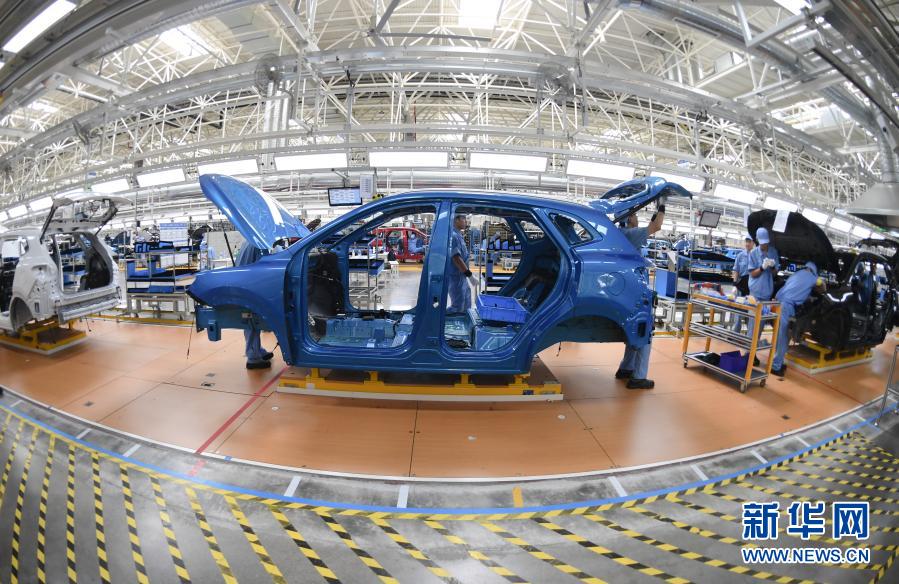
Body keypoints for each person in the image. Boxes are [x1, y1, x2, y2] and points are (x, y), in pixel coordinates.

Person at [615, 206, 665, 390]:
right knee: (645, 332)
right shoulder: (630, 234)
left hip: (626, 291)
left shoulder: (620, 234)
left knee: (635, 330)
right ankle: (639, 377)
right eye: (635, 215)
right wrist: (662, 207)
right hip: (635, 293)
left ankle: (626, 368)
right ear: (629, 219)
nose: (636, 218)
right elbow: (656, 227)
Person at [771, 262, 822, 376]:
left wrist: (808, 297)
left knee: (780, 336)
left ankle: (777, 362)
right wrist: (819, 282)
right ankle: (775, 367)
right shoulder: (813, 278)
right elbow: (823, 288)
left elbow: (796, 289)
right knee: (784, 337)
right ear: (815, 271)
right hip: (786, 307)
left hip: (777, 303)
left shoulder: (796, 274)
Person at [236, 242, 275, 369]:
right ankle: (253, 358)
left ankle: (257, 350)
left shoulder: (248, 242)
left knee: (252, 320)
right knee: (251, 321)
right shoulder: (259, 244)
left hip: (244, 284)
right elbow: (263, 267)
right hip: (251, 286)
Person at [448, 214, 479, 312]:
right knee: (458, 307)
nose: (466, 221)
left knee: (467, 305)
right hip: (456, 278)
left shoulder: (458, 235)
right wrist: (470, 275)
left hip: (462, 277)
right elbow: (456, 258)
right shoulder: (453, 236)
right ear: (456, 220)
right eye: (464, 219)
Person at [731, 236, 754, 332]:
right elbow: (736, 270)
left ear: (753, 243)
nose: (747, 244)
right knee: (738, 310)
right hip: (741, 286)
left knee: (750, 311)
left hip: (752, 288)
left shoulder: (755, 256)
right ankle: (735, 333)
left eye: (749, 242)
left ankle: (750, 335)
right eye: (746, 241)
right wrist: (734, 285)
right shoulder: (740, 255)